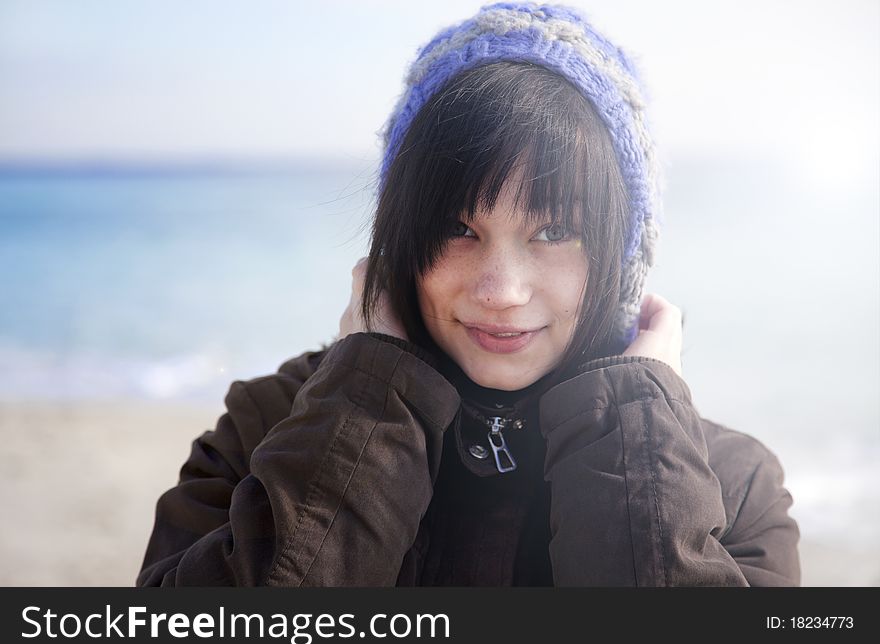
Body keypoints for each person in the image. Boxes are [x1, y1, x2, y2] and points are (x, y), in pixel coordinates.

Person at [137, 2, 800, 586]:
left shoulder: (729, 485)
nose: (503, 290)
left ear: (622, 253)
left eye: (556, 229)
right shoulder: (267, 431)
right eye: (458, 227)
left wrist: (635, 440)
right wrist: (365, 412)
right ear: (400, 235)